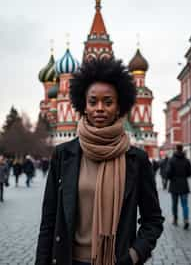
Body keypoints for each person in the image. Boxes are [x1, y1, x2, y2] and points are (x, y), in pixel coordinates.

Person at [35, 58, 164, 265]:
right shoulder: (63, 154)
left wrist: (133, 255)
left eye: (108, 102)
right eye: (93, 101)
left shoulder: (135, 159)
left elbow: (153, 220)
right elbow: (49, 221)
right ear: (83, 105)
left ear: (119, 105)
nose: (100, 108)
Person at [166, 144, 191, 230]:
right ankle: (186, 220)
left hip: (174, 185)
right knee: (185, 205)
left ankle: (175, 219)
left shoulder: (171, 160)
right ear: (182, 149)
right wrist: (184, 176)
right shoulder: (186, 160)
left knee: (174, 204)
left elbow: (168, 173)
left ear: (176, 149)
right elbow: (190, 172)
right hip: (184, 185)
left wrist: (171, 177)